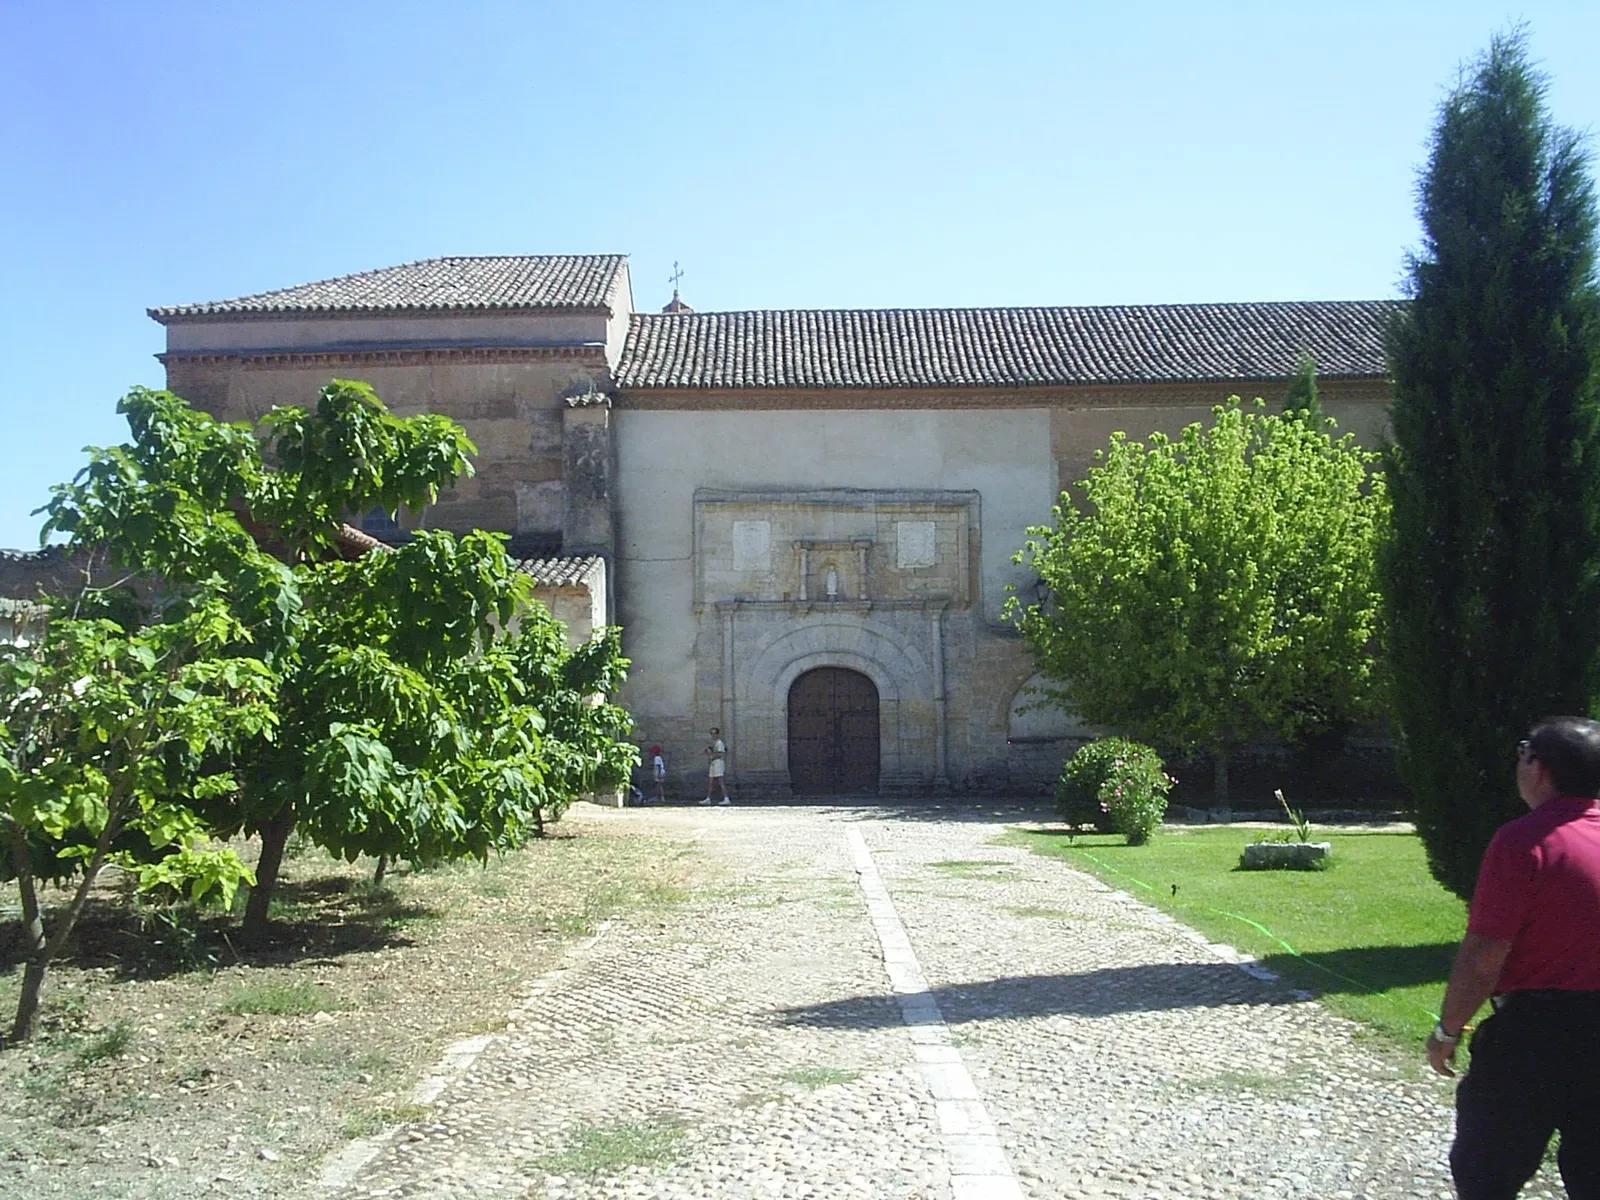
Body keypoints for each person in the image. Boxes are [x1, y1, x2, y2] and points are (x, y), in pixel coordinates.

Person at [1426, 715, 1600, 1199]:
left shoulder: (1526, 840)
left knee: (1487, 1172)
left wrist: (1447, 1031)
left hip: (1537, 1036)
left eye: (1524, 752)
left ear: (1539, 769)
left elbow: (1485, 954)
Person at [700, 727, 730, 806]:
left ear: (717, 734)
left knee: (720, 781)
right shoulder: (714, 743)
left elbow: (721, 753)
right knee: (711, 782)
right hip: (713, 763)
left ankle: (726, 798)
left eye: (714, 733)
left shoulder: (719, 743)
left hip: (718, 762)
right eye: (712, 733)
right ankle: (708, 798)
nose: (713, 735)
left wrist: (711, 753)